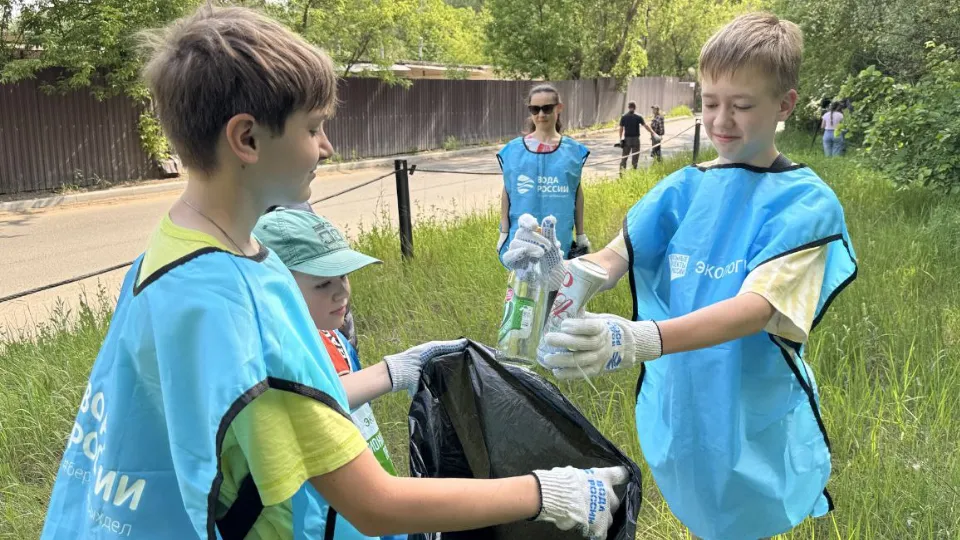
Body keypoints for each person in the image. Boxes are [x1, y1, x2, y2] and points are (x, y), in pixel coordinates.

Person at [39, 6, 628, 539]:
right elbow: (373, 505)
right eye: (314, 126)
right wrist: (550, 492)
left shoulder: (166, 252)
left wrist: (396, 369)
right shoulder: (241, 299)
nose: (328, 147)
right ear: (247, 138)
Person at [505, 12, 858, 540]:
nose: (721, 121)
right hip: (681, 397)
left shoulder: (806, 205)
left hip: (749, 406)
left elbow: (760, 307)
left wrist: (638, 337)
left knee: (748, 516)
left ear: (785, 103)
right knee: (701, 507)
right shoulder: (684, 189)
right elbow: (612, 257)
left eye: (741, 106)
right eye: (710, 103)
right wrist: (563, 270)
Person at [498, 84, 591, 263]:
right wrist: (503, 231)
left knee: (558, 285)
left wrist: (580, 234)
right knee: (523, 286)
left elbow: (577, 192)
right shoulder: (514, 150)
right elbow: (507, 191)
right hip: (522, 235)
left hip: (560, 235)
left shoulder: (573, 151)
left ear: (559, 108)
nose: (541, 115)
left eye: (547, 108)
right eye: (535, 109)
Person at [618, 101, 658, 170]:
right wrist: (652, 132)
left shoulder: (624, 116)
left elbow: (621, 128)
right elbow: (645, 126)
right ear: (635, 107)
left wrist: (621, 138)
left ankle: (622, 174)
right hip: (636, 140)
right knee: (635, 158)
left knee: (624, 158)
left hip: (627, 140)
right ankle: (634, 172)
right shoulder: (638, 116)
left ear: (628, 107)